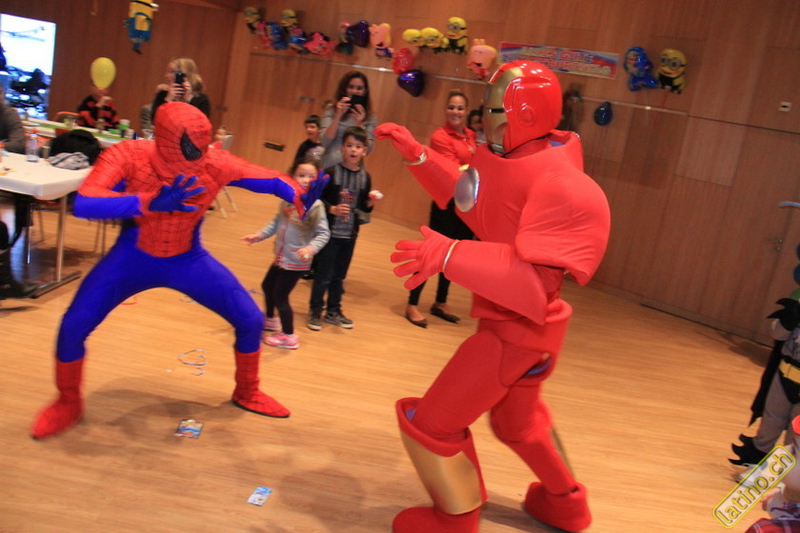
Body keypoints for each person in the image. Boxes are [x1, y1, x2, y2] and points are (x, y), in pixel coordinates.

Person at [376, 60, 611, 533]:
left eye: (494, 110)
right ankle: (566, 503)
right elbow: (471, 199)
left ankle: (455, 519)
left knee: (430, 424)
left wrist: (449, 255)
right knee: (518, 426)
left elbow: (532, 285)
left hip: (513, 336)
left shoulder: (563, 185)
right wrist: (418, 155)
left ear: (524, 115)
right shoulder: (519, 157)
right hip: (531, 336)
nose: (484, 119)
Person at [29, 102, 326, 440]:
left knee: (250, 319)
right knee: (73, 326)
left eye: (201, 148)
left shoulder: (215, 162)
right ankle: (67, 401)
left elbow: (268, 178)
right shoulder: (129, 154)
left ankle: (247, 390)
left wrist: (298, 194)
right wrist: (147, 202)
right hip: (133, 256)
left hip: (187, 258)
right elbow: (85, 203)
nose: (196, 159)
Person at [242, 158, 330, 349]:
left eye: (311, 176)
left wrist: (310, 249)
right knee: (267, 286)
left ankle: (289, 336)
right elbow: (276, 223)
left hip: (296, 261)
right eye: (301, 175)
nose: (305, 180)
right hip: (281, 257)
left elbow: (324, 233)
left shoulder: (315, 206)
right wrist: (259, 235)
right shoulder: (287, 200)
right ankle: (271, 319)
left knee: (280, 297)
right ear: (292, 177)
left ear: (317, 180)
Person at [405, 90, 476, 328]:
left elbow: (473, 167)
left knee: (453, 255)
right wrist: (473, 170)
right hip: (445, 203)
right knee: (431, 254)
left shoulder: (471, 136)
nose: (456, 112)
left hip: (466, 206)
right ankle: (412, 303)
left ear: (466, 111)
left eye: (460, 108)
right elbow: (452, 170)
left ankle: (441, 301)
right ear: (445, 110)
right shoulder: (440, 136)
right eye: (451, 107)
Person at [307, 126, 381, 331]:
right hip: (329, 233)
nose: (353, 150)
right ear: (342, 148)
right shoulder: (330, 173)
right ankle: (315, 310)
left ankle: (333, 310)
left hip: (349, 235)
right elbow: (316, 198)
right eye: (349, 145)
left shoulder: (365, 177)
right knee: (323, 274)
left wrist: (370, 203)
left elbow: (364, 206)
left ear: (364, 151)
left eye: (358, 146)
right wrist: (331, 208)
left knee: (339, 276)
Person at [730, 298, 800, 466]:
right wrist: (789, 319)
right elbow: (778, 334)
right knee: (770, 424)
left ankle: (787, 475)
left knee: (795, 434)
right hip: (783, 377)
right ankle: (755, 464)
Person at [319, 71, 377, 169]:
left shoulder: (370, 117)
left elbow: (368, 149)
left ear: (365, 91)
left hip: (354, 169)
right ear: (344, 89)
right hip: (330, 165)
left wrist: (360, 125)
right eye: (351, 87)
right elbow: (324, 141)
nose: (354, 91)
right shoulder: (331, 111)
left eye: (359, 88)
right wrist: (337, 116)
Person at [151, 57, 210, 122]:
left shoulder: (200, 99)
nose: (166, 75)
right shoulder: (162, 94)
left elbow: (201, 123)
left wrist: (188, 100)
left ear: (184, 74)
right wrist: (167, 100)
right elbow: (155, 120)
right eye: (168, 71)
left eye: (171, 71)